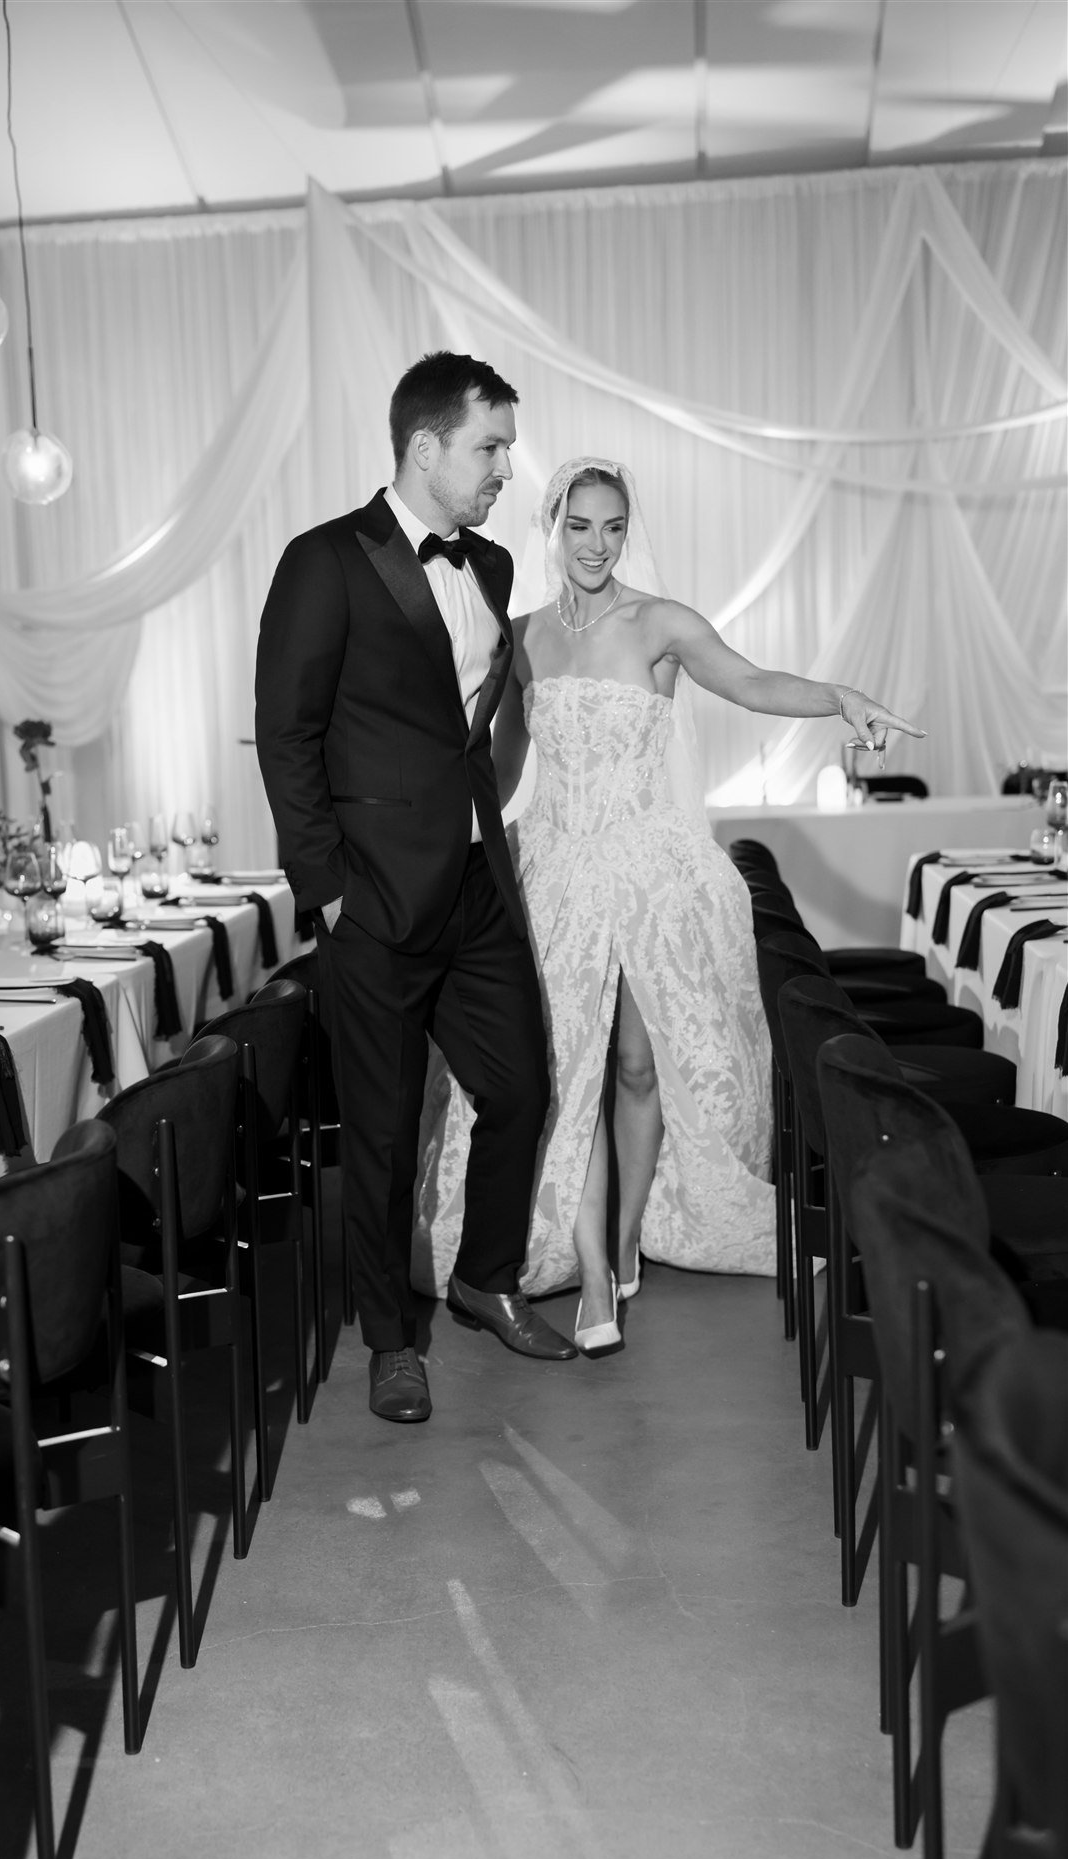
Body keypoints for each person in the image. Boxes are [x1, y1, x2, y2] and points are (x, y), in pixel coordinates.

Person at [412, 457, 924, 1354]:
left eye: (612, 527)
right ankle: (594, 1278)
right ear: (552, 526)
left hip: (647, 868)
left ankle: (622, 1241)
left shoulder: (659, 623)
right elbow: (499, 766)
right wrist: (441, 845)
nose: (596, 545)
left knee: (635, 1066)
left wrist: (839, 700)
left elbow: (750, 682)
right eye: (579, 526)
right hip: (553, 871)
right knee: (565, 1071)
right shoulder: (520, 636)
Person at [255, 354, 577, 1426]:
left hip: (477, 880)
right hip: (375, 899)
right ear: (425, 447)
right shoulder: (323, 561)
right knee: (384, 1134)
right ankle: (391, 1339)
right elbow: (288, 733)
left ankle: (485, 1277)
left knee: (520, 1088)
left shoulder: (491, 565)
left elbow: (465, 725)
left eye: (507, 449)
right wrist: (327, 889)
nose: (505, 470)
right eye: (491, 447)